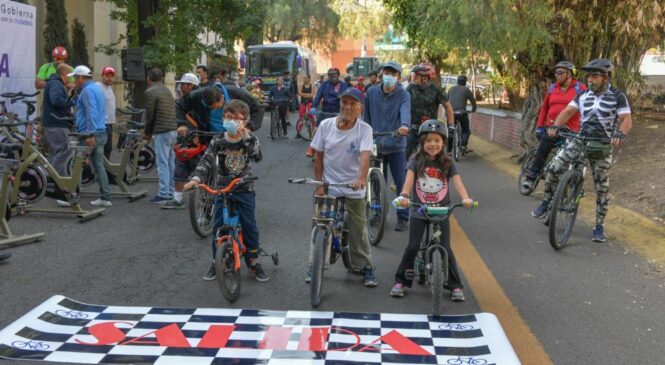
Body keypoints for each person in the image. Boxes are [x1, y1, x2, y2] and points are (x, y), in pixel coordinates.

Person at [532, 59, 632, 243]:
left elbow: (626, 119)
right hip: (580, 140)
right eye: (589, 76)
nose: (590, 79)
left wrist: (620, 133)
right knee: (554, 168)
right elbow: (568, 112)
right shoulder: (583, 95)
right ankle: (547, 202)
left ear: (606, 77)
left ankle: (599, 226)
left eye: (595, 76)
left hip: (601, 145)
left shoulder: (617, 96)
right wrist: (555, 126)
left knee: (602, 188)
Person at [183, 100, 267, 281]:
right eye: (228, 117)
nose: (232, 121)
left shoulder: (250, 139)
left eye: (237, 119)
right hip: (223, 189)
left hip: (244, 187)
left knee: (249, 225)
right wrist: (195, 179)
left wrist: (247, 138)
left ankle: (253, 261)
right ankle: (217, 261)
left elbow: (257, 156)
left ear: (245, 121)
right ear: (223, 119)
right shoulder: (218, 140)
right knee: (219, 227)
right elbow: (206, 161)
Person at [390, 120, 473, 300]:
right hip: (419, 210)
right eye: (428, 140)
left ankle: (455, 285)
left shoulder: (448, 162)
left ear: (443, 142)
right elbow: (409, 180)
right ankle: (401, 281)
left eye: (437, 140)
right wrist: (404, 195)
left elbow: (457, 182)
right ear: (422, 143)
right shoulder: (415, 160)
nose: (433, 144)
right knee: (412, 246)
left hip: (441, 210)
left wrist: (465, 198)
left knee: (445, 247)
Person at [308, 88, 377, 287]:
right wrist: (320, 183)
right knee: (319, 222)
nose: (347, 107)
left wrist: (361, 179)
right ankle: (314, 264)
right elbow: (318, 155)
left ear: (360, 108)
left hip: (354, 185)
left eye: (352, 103)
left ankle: (365, 266)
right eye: (344, 102)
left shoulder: (364, 129)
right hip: (330, 184)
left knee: (358, 227)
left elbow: (365, 155)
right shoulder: (325, 125)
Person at [165, 80, 263, 209]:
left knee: (233, 168)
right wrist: (182, 124)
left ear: (222, 98)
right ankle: (206, 205)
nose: (214, 109)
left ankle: (237, 197)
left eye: (217, 106)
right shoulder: (196, 95)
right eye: (210, 107)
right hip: (209, 135)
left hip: (234, 136)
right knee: (205, 164)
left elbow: (258, 108)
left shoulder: (236, 92)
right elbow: (179, 106)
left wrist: (249, 127)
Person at [363, 61, 411, 231]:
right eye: (387, 73)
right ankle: (377, 212)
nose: (390, 76)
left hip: (396, 144)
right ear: (382, 74)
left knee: (400, 182)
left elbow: (405, 111)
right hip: (376, 144)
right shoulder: (371, 92)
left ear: (398, 77)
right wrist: (364, 134)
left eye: (394, 74)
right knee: (376, 182)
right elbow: (366, 117)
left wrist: (404, 126)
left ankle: (403, 216)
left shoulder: (403, 95)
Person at [522, 61, 585, 189]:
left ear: (569, 74)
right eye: (555, 73)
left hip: (571, 129)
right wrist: (540, 126)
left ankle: (570, 182)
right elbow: (544, 107)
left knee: (576, 154)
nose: (556, 75)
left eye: (560, 73)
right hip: (551, 127)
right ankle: (531, 175)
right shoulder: (552, 88)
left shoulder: (580, 88)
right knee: (545, 143)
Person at [70, 65, 111, 206]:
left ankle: (73, 197)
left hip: (89, 133)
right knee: (99, 165)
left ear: (82, 77)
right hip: (101, 130)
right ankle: (105, 198)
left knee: (78, 165)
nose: (75, 80)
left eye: (76, 77)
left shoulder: (87, 90)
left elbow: (91, 112)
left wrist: (89, 134)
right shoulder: (96, 89)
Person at [144, 67, 177, 204]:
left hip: (162, 131)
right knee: (170, 162)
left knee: (162, 162)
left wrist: (147, 132)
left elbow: (150, 116)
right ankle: (170, 191)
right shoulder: (167, 90)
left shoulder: (150, 92)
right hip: (172, 130)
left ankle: (163, 193)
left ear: (149, 79)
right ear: (162, 78)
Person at [406, 63, 454, 158]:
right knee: (404, 155)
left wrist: (451, 125)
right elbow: (402, 104)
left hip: (429, 128)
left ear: (425, 77)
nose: (413, 78)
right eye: (413, 75)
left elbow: (448, 106)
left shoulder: (436, 89)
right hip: (412, 128)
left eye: (416, 75)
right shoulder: (411, 88)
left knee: (433, 156)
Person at [42, 63, 75, 178]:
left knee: (55, 152)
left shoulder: (54, 83)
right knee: (65, 150)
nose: (71, 79)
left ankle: (49, 180)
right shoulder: (56, 84)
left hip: (53, 123)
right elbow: (55, 100)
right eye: (70, 75)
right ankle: (55, 179)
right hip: (57, 123)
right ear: (64, 74)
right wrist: (71, 102)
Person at [308, 68, 349, 157]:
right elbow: (318, 96)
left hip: (337, 111)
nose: (333, 77)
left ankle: (343, 151)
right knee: (316, 129)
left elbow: (345, 99)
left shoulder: (343, 86)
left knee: (343, 130)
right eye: (330, 75)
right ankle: (312, 148)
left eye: (334, 75)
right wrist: (314, 107)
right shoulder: (324, 85)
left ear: (338, 75)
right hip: (325, 111)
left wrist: (345, 111)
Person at [447, 75, 477, 153]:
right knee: (466, 130)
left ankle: (449, 150)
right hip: (462, 113)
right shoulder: (467, 90)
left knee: (451, 130)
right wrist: (473, 109)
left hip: (451, 113)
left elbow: (446, 101)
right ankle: (463, 145)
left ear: (457, 81)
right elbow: (473, 102)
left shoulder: (451, 89)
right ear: (465, 82)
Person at [95, 66, 117, 159]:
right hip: (102, 124)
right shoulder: (98, 87)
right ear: (102, 75)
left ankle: (105, 170)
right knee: (102, 149)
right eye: (107, 75)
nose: (109, 78)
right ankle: (100, 171)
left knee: (108, 149)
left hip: (109, 123)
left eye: (111, 76)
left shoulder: (109, 88)